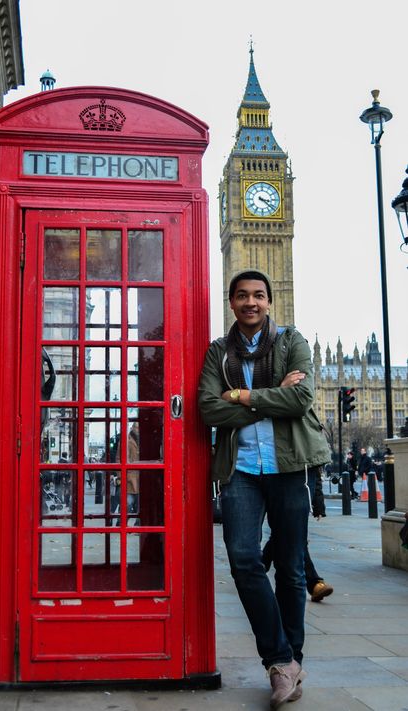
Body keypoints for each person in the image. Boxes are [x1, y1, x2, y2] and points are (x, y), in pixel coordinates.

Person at [198, 269, 330, 709]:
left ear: (270, 301)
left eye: (258, 295)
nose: (250, 302)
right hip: (240, 470)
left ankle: (288, 662)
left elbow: (300, 400)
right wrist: (269, 396)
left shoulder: (292, 342)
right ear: (231, 302)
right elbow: (208, 409)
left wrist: (242, 397)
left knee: (292, 570)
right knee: (243, 560)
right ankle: (281, 659)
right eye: (242, 296)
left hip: (289, 467)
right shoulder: (219, 351)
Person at [262, 470, 334, 603]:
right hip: (266, 481)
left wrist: (317, 500)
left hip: (295, 488)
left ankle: (258, 567)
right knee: (290, 537)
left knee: (290, 536)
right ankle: (313, 583)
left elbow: (312, 466)